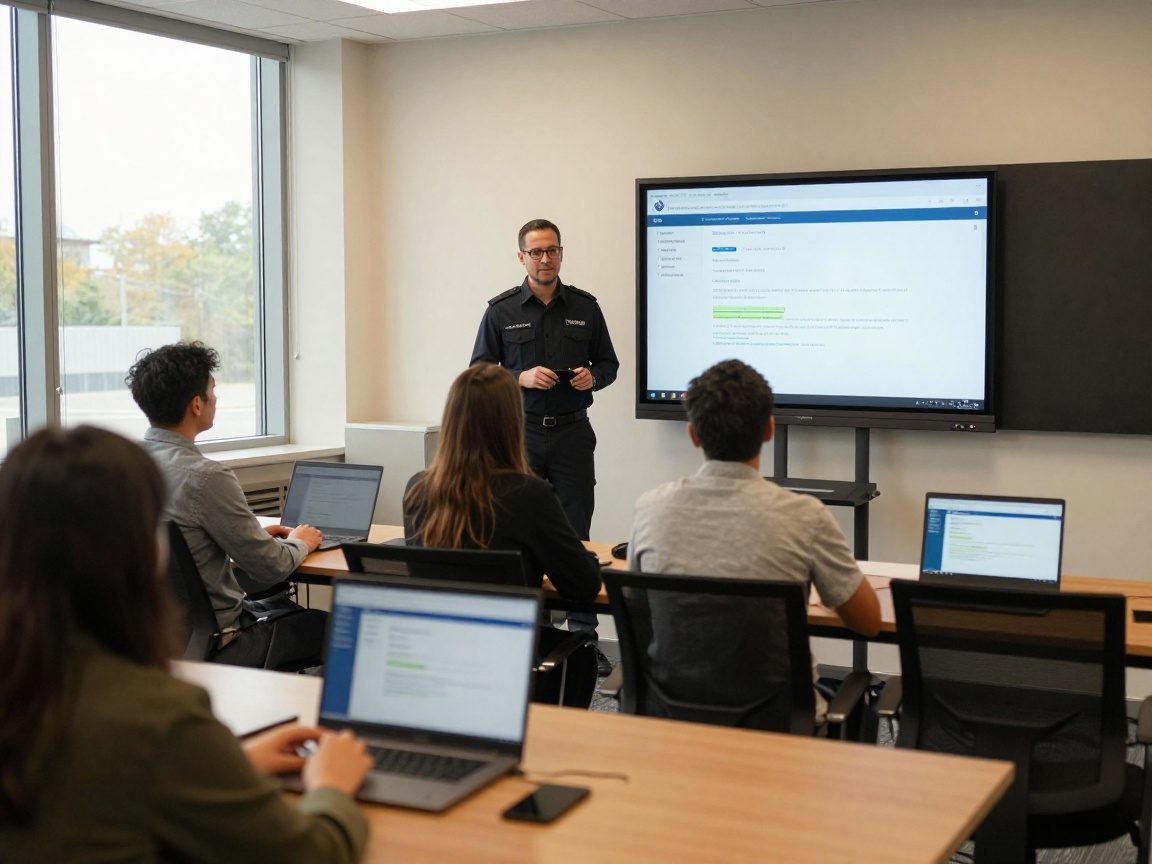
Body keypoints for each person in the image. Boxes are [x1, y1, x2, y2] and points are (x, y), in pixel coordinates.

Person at [0, 426, 372, 862]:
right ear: (145, 551)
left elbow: (98, 789)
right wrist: (331, 787)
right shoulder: (159, 719)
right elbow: (312, 854)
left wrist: (227, 766)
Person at [628, 359, 881, 718]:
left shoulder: (651, 508)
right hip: (778, 726)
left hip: (674, 722)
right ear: (769, 429)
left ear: (693, 434)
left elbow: (643, 606)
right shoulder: (805, 516)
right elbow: (868, 622)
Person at [403, 363, 603, 704]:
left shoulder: (418, 489)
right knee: (579, 655)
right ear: (513, 422)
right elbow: (582, 586)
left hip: (435, 654)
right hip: (507, 657)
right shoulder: (528, 494)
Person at [471, 219, 619, 662]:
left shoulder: (586, 308)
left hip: (574, 433)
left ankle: (584, 640)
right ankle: (536, 636)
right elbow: (480, 371)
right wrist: (519, 376)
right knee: (524, 537)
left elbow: (610, 365)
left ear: (561, 253)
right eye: (536, 252)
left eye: (552, 250)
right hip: (522, 438)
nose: (545, 258)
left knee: (576, 535)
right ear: (522, 258)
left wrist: (595, 377)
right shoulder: (501, 311)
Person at [127, 341, 327, 669]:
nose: (215, 399)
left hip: (156, 642)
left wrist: (254, 537)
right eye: (212, 390)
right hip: (222, 643)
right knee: (337, 629)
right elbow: (270, 568)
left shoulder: (125, 464)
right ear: (196, 404)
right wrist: (299, 543)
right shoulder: (205, 477)